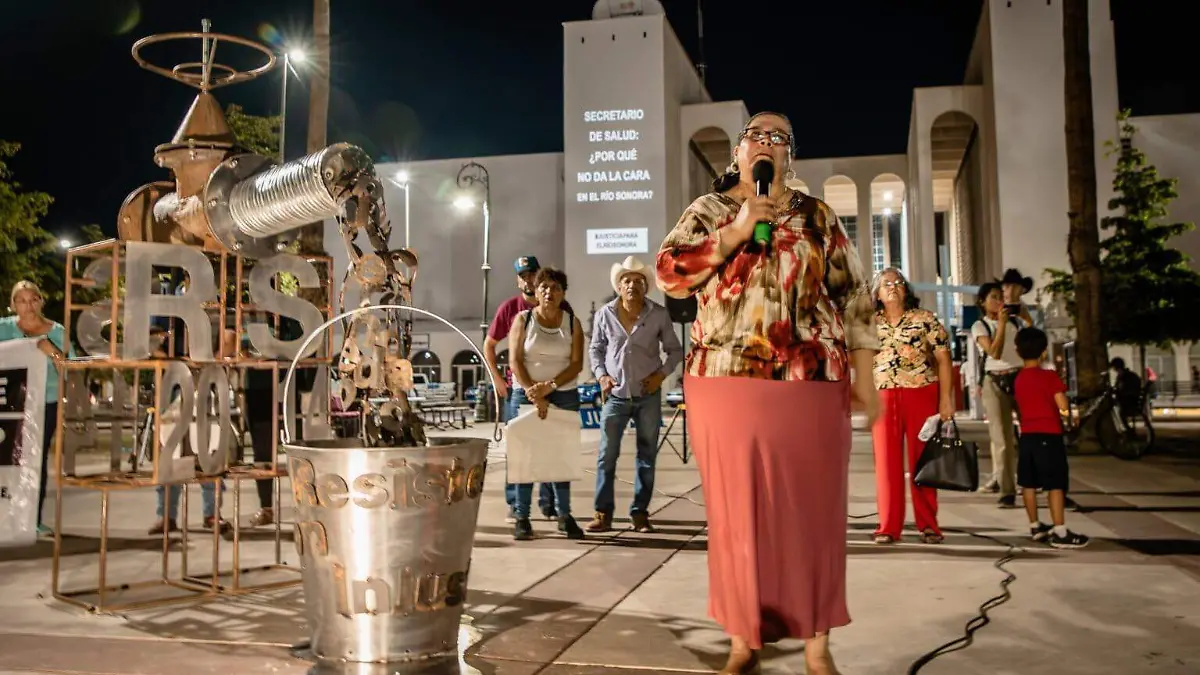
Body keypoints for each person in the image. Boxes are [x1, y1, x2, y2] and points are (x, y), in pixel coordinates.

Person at [656, 111, 878, 675]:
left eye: (778, 137)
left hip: (810, 379)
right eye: (756, 134)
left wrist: (866, 378)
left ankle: (817, 646)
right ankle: (743, 639)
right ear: (738, 153)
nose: (766, 143)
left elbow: (855, 295)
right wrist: (734, 232)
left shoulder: (817, 215)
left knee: (813, 514)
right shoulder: (708, 211)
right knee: (737, 514)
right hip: (725, 376)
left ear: (789, 156)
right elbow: (670, 274)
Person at [587, 255, 683, 534]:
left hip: (647, 396)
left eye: (638, 281)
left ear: (646, 286)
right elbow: (596, 350)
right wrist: (601, 375)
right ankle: (602, 513)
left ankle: (640, 514)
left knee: (646, 456)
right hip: (615, 396)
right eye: (626, 281)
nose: (631, 285)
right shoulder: (605, 314)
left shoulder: (659, 315)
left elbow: (675, 351)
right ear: (619, 286)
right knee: (606, 457)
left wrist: (660, 376)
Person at [870, 268, 955, 545]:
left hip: (921, 393)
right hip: (883, 397)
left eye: (898, 282)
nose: (892, 287)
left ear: (906, 290)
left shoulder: (925, 319)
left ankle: (928, 525)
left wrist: (945, 400)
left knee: (922, 461)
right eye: (886, 284)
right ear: (877, 294)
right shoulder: (868, 323)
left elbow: (944, 359)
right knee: (886, 464)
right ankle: (888, 526)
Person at [485, 256, 572, 522]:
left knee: (550, 447)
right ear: (517, 280)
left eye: (532, 274)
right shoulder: (510, 309)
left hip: (553, 387)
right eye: (523, 276)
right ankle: (515, 504)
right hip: (521, 389)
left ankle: (549, 502)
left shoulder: (561, 307)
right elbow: (490, 344)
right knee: (520, 449)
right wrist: (497, 380)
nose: (528, 280)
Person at [507, 266, 585, 541]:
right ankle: (522, 517)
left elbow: (576, 363)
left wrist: (549, 387)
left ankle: (565, 516)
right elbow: (515, 360)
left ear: (563, 293)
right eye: (544, 287)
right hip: (526, 393)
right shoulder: (523, 320)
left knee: (561, 456)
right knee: (525, 458)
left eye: (555, 288)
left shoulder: (572, 323)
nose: (549, 292)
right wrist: (534, 393)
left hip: (564, 394)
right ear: (536, 291)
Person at [0, 281, 71, 537]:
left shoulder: (57, 331)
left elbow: (69, 370)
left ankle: (32, 519)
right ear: (13, 304)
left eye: (33, 299)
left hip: (45, 403)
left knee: (34, 460)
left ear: (41, 301)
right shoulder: (3, 328)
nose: (28, 306)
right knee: (6, 459)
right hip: (9, 404)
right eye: (21, 300)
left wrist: (52, 352)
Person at [1013, 327, 1089, 548]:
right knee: (1055, 483)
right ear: (1044, 351)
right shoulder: (1049, 376)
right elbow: (1062, 405)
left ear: (1018, 351)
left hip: (1027, 435)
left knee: (1028, 482)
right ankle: (1060, 531)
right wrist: (1068, 414)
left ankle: (1035, 525)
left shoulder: (1018, 378)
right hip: (1049, 434)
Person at [970, 280, 1027, 507]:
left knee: (1031, 433)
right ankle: (1007, 490)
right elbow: (994, 352)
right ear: (982, 303)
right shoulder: (980, 326)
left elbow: (1033, 346)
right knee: (1002, 438)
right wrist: (1001, 325)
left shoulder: (1016, 323)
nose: (998, 301)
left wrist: (1027, 319)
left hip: (1020, 378)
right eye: (993, 297)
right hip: (995, 381)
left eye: (1000, 297)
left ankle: (1034, 481)